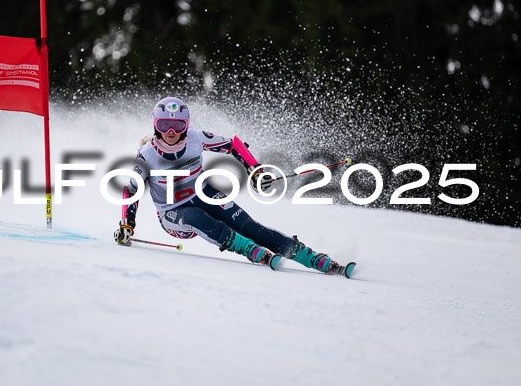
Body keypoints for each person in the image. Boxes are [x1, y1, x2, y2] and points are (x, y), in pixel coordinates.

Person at [113, 96, 355, 277]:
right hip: (173, 213)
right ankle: (248, 250)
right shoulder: (146, 154)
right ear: (156, 125)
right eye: (165, 126)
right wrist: (127, 225)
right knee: (197, 216)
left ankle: (312, 258)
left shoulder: (197, 138)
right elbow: (131, 190)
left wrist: (254, 169)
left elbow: (233, 145)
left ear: (186, 125)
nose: (172, 132)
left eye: (177, 125)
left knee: (249, 226)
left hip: (203, 193)